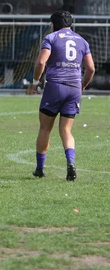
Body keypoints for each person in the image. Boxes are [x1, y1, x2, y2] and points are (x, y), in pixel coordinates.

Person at [29, 10, 95, 181]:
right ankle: (71, 163)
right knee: (66, 130)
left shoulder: (51, 38)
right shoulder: (82, 40)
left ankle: (39, 168)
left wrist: (36, 79)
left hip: (55, 86)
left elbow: (41, 61)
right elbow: (91, 68)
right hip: (74, 87)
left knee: (45, 128)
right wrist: (82, 86)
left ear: (54, 24)